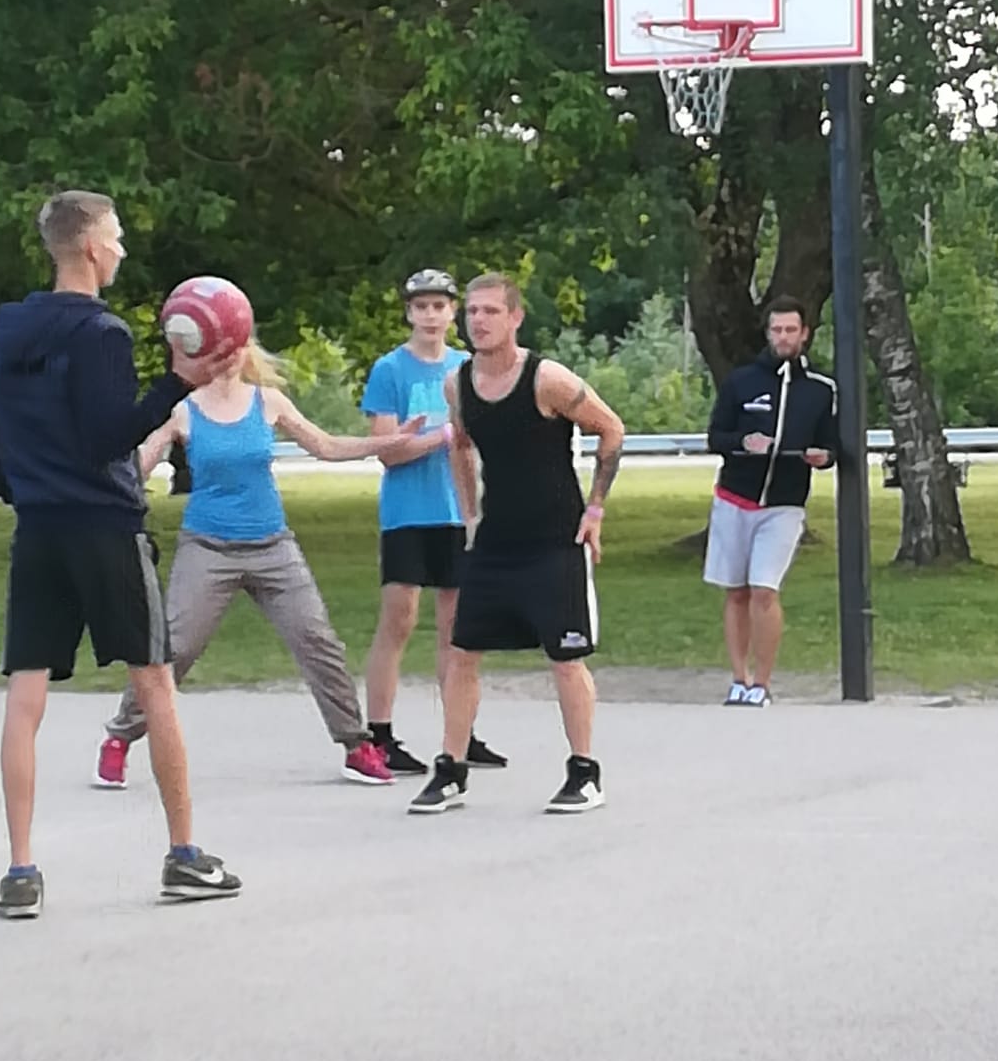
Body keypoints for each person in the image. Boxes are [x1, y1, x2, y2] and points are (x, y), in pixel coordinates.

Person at [0, 190, 242, 919]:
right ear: (89, 247)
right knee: (155, 684)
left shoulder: (11, 328)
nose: (120, 249)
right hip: (106, 529)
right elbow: (107, 438)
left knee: (26, 697)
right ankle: (183, 857)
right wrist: (179, 382)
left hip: (40, 531)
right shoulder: (102, 332)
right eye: (114, 237)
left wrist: (19, 490)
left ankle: (20, 872)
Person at [95, 340, 424, 789]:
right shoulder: (183, 408)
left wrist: (391, 441)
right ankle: (119, 738)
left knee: (318, 641)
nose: (229, 355)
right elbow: (138, 466)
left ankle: (356, 745)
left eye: (236, 345)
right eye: (218, 346)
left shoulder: (268, 401)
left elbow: (326, 446)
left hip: (273, 546)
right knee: (177, 647)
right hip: (208, 548)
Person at [409, 273, 625, 816]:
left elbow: (611, 429)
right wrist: (470, 515)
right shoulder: (458, 384)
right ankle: (451, 770)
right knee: (462, 653)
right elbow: (459, 444)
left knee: (566, 657)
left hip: (555, 540)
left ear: (515, 318)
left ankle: (584, 772)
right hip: (495, 542)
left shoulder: (547, 379)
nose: (478, 321)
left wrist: (595, 510)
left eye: (490, 311)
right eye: (472, 312)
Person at [360, 268, 506, 775]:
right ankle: (380, 734)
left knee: (458, 627)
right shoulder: (390, 370)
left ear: (452, 313)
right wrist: (439, 437)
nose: (430, 315)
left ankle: (460, 734)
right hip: (407, 512)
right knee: (399, 619)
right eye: (420, 306)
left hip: (458, 511)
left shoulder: (467, 367)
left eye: (439, 306)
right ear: (409, 313)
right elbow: (387, 450)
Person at [704, 295, 837, 707]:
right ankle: (738, 679)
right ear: (768, 333)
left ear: (805, 334)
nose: (783, 337)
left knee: (764, 590)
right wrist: (744, 442)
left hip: (784, 505)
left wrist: (824, 456)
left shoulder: (822, 389)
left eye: (790, 330)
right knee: (736, 591)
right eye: (777, 330)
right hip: (735, 499)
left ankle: (762, 683)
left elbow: (832, 445)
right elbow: (716, 436)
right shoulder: (741, 381)